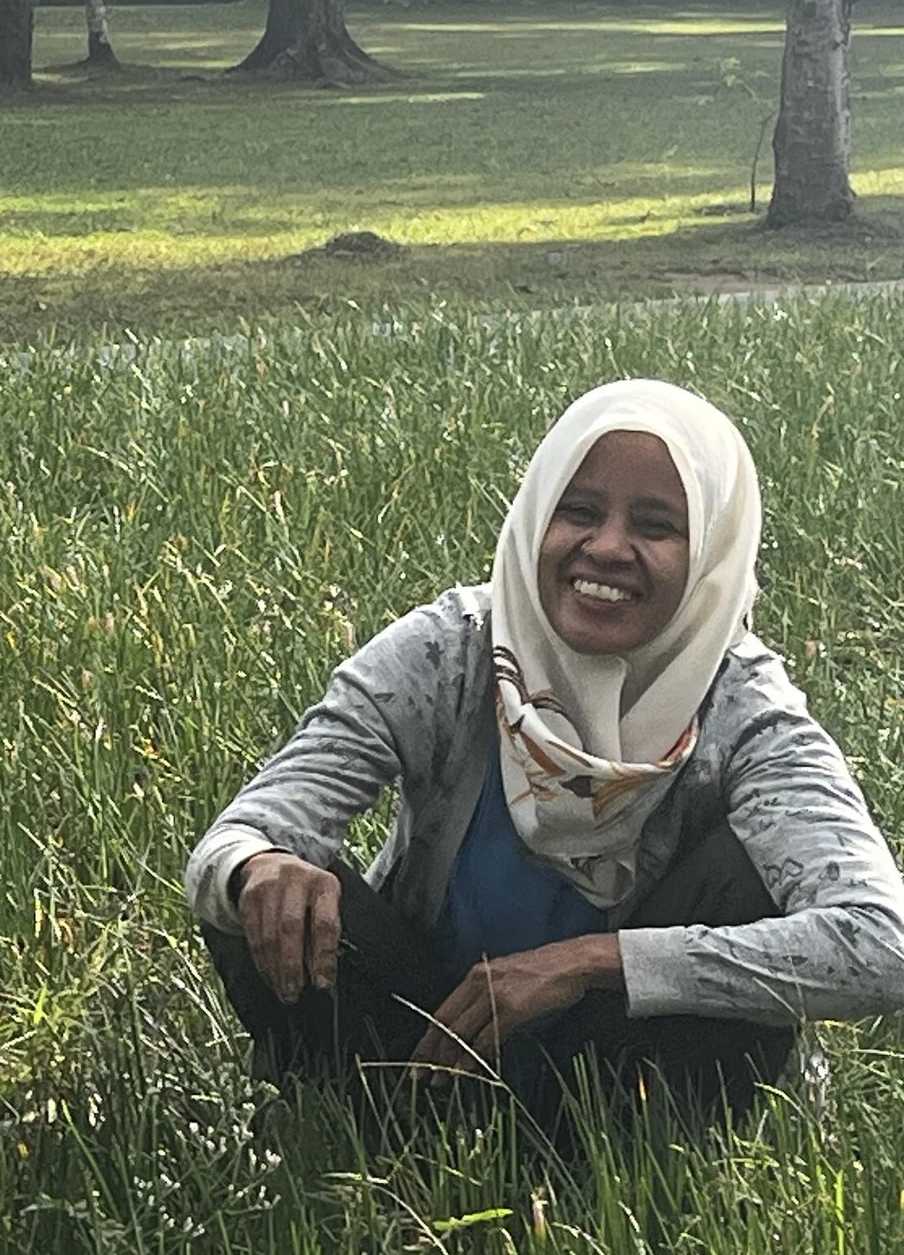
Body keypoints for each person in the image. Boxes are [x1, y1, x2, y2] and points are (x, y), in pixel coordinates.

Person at [187, 380, 904, 1122]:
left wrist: (593, 965)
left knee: (747, 872)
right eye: (580, 511)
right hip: (422, 1037)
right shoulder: (448, 652)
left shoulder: (744, 709)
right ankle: (382, 1130)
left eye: (656, 525)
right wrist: (260, 866)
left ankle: (623, 1158)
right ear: (537, 515)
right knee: (266, 889)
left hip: (630, 1076)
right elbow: (235, 839)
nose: (608, 547)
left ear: (711, 556)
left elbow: (883, 944)